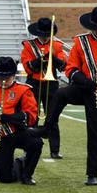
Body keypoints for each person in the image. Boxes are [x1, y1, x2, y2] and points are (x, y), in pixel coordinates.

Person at [30, 7, 97, 185]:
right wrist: (82, 79)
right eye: (96, 27)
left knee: (95, 133)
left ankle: (92, 174)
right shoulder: (80, 42)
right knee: (59, 94)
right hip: (82, 87)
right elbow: (71, 68)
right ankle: (47, 128)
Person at [0, 56, 42, 185]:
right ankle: (19, 164)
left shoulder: (23, 90)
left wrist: (11, 118)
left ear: (13, 75)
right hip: (0, 135)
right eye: (0, 77)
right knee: (4, 178)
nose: (3, 81)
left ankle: (27, 175)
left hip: (19, 131)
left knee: (36, 143)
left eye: (6, 77)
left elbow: (31, 116)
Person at [20, 17, 67, 159]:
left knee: (52, 117)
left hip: (51, 84)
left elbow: (64, 65)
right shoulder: (29, 46)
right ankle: (30, 146)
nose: (45, 37)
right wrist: (39, 60)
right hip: (34, 83)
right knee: (32, 116)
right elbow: (27, 67)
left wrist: (53, 57)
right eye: (43, 34)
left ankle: (55, 150)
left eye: (47, 35)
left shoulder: (57, 46)